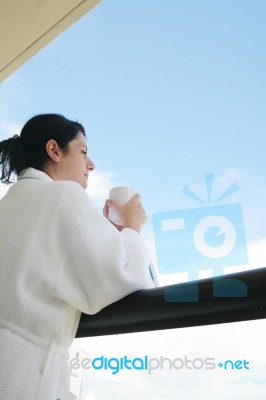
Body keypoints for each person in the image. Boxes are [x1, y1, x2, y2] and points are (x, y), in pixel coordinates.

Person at [0, 114, 155, 400]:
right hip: (21, 374)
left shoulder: (8, 204)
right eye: (83, 151)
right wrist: (131, 228)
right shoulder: (63, 195)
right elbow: (127, 279)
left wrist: (107, 236)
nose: (91, 164)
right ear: (54, 150)